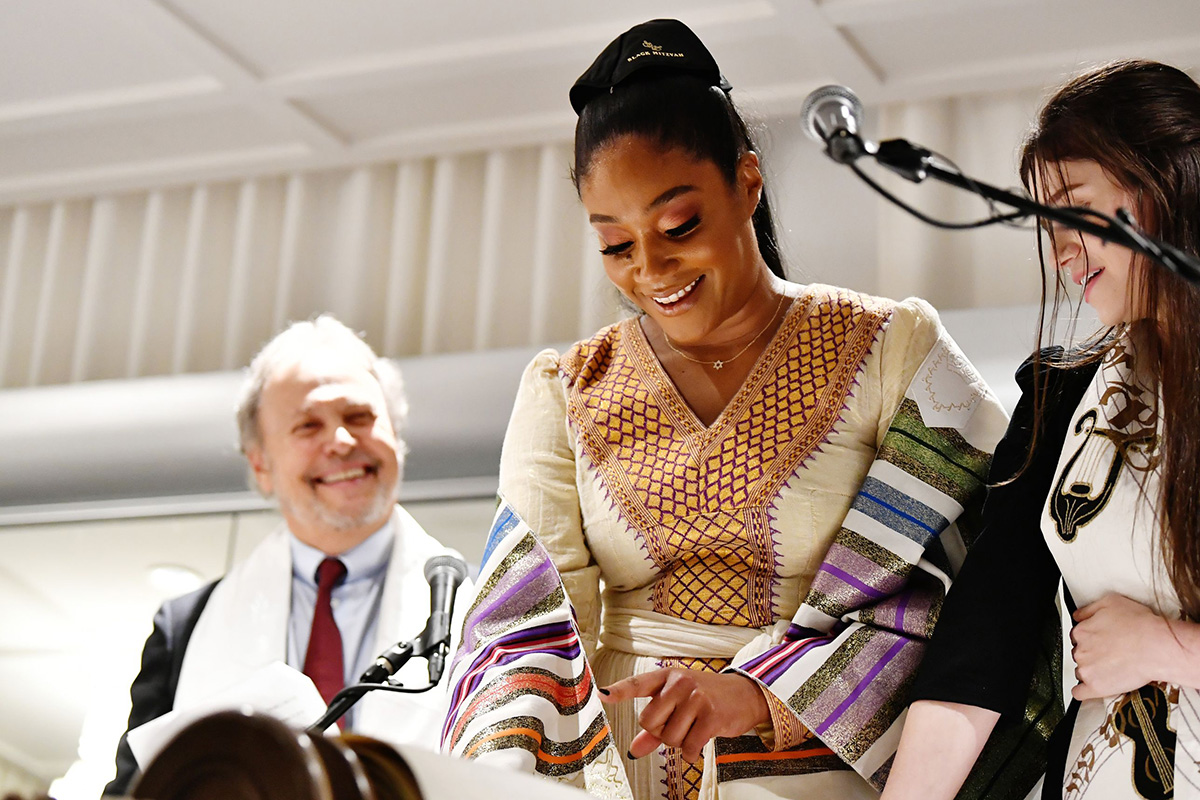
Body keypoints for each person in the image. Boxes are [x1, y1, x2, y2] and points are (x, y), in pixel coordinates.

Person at [441, 19, 1011, 800]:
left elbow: (961, 594)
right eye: (615, 245)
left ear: (747, 182)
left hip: (812, 762)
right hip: (611, 766)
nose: (651, 270)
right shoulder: (567, 387)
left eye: (680, 226)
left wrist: (759, 691)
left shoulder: (894, 350)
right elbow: (523, 628)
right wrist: (503, 778)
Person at [881, 60, 1200, 800]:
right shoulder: (1062, 394)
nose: (1058, 250)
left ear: (1167, 182)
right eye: (1044, 223)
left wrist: (1169, 648)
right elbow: (986, 632)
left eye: (1074, 210)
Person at [104, 315, 469, 795]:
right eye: (308, 425)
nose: (341, 441)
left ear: (396, 436)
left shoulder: (487, 613)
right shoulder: (184, 627)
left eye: (360, 417)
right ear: (261, 465)